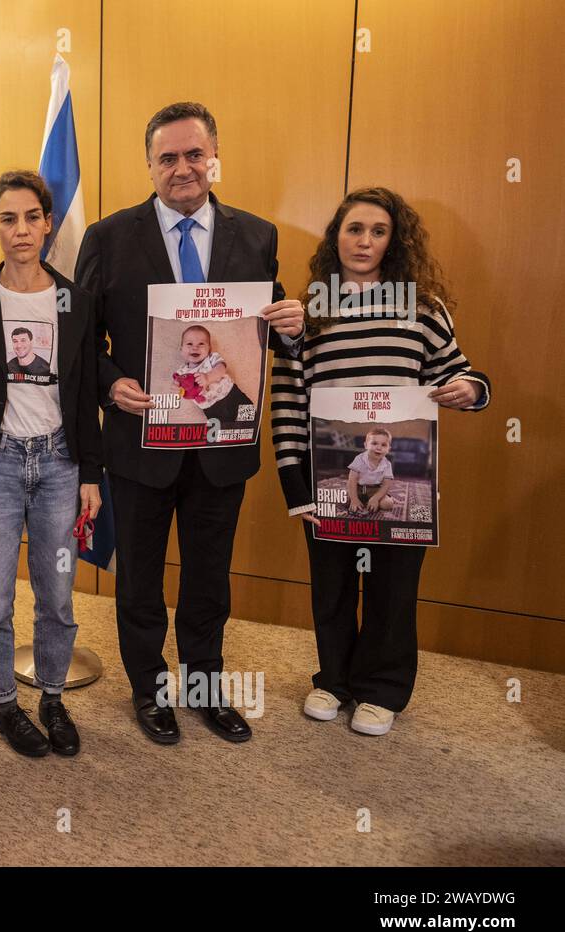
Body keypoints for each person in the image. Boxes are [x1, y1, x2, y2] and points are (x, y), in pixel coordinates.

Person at [74, 102, 306, 745]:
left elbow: (263, 334)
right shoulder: (108, 237)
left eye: (194, 154)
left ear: (214, 157)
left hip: (222, 447)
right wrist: (109, 381)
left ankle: (204, 685)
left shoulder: (257, 235)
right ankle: (150, 694)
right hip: (142, 442)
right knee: (141, 581)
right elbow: (83, 340)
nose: (183, 168)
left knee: (209, 579)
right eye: (168, 158)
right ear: (149, 165)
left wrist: (290, 328)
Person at [271, 186, 490, 736]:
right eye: (353, 229)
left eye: (377, 231)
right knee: (333, 582)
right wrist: (294, 484)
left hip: (403, 472)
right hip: (328, 472)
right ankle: (333, 681)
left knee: (393, 586)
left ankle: (382, 689)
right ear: (335, 237)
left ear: (394, 242)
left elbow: (459, 373)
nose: (363, 241)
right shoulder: (309, 313)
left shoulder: (423, 308)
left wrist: (471, 389)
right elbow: (289, 396)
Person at [0, 170, 103, 757]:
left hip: (60, 464)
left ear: (48, 223)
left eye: (31, 217)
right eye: (7, 219)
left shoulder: (76, 298)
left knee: (57, 592)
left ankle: (51, 695)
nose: (20, 230)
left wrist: (92, 475)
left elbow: (88, 387)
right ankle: (4, 703)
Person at [173, 324, 253, 423]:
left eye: (201, 344)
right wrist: (176, 388)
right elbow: (177, 385)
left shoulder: (211, 358)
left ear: (209, 349)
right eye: (189, 344)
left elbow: (221, 368)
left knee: (250, 417)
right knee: (223, 431)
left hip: (231, 394)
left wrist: (208, 377)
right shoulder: (182, 372)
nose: (195, 347)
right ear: (181, 349)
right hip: (212, 408)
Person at [345, 427, 396, 514]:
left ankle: (386, 499)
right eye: (374, 443)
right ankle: (361, 502)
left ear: (388, 449)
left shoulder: (387, 464)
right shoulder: (359, 459)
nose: (379, 448)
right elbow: (351, 480)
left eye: (384, 445)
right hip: (359, 489)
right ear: (366, 445)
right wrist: (354, 499)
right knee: (345, 500)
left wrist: (376, 498)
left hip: (375, 490)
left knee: (387, 504)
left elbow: (386, 485)